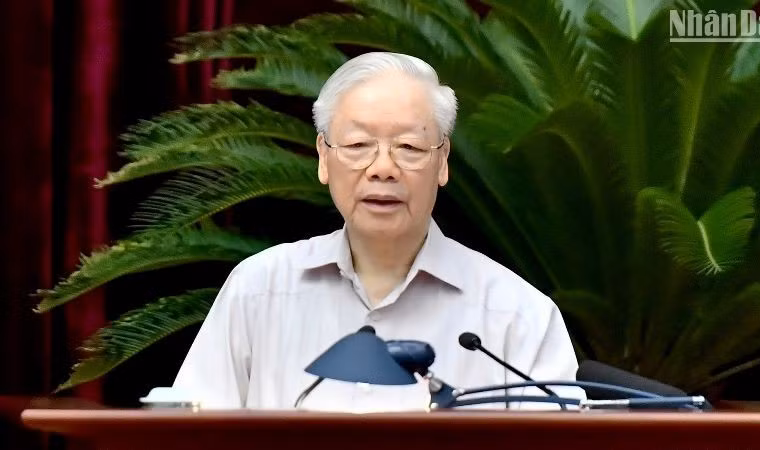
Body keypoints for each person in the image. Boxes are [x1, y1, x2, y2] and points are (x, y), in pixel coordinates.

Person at [172, 52, 583, 412]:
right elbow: (187, 437)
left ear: (442, 163)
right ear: (323, 158)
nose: (382, 168)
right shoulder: (258, 290)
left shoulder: (518, 316)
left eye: (408, 147)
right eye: (358, 145)